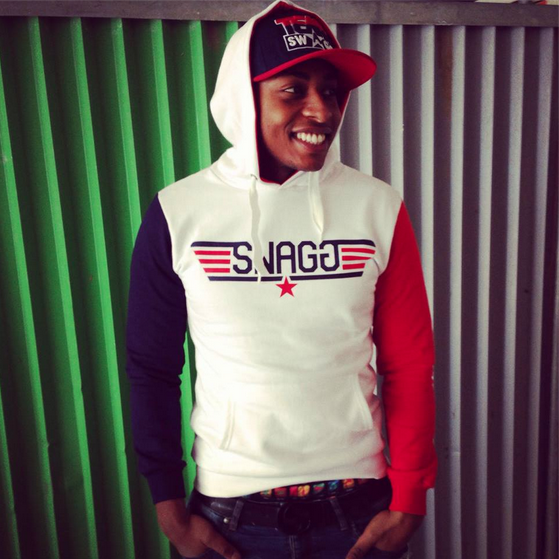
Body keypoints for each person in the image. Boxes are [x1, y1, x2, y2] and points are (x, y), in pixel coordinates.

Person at [126, 1, 437, 558]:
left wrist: (410, 496)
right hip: (232, 513)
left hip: (359, 507)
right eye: (293, 90)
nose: (322, 110)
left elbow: (409, 362)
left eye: (331, 91)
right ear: (244, 98)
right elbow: (151, 367)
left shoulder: (378, 207)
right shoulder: (179, 213)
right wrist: (170, 510)